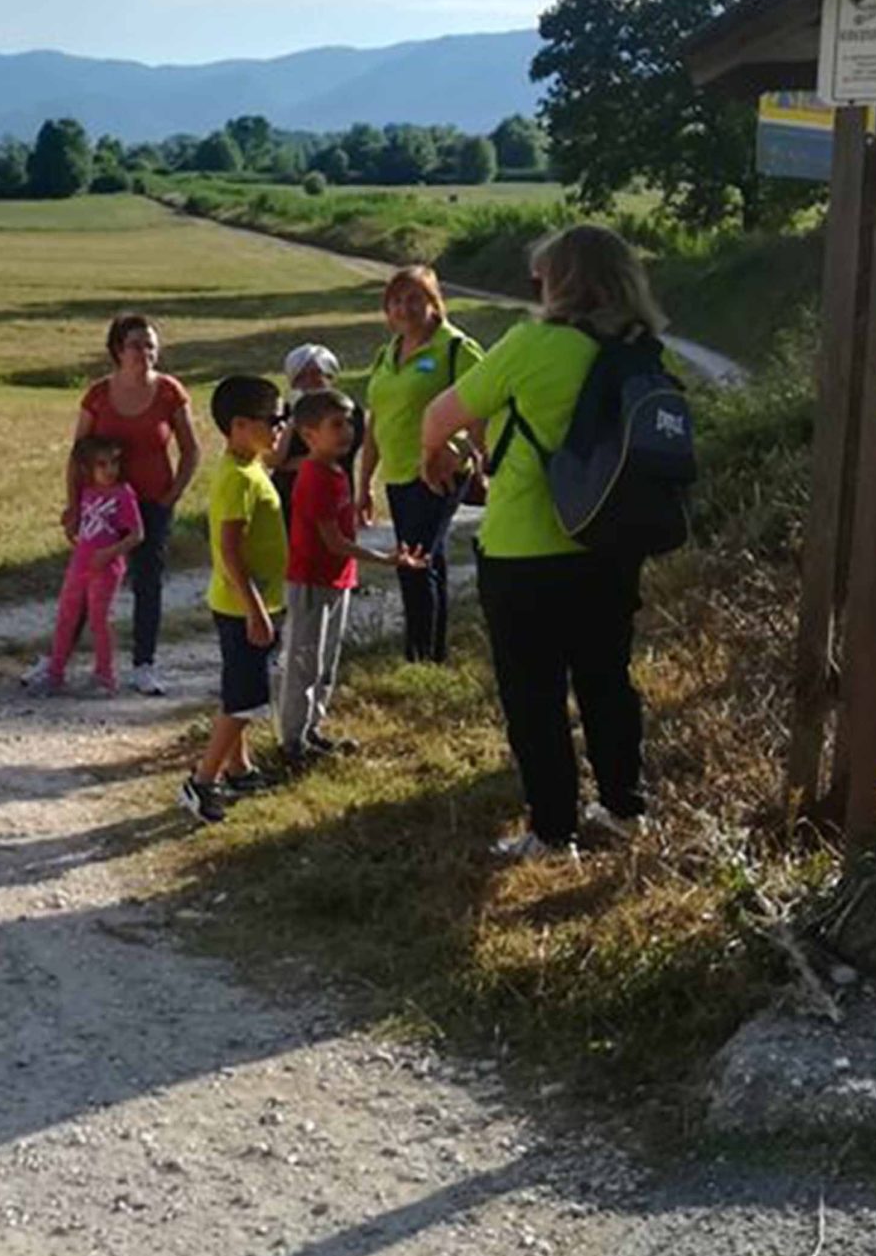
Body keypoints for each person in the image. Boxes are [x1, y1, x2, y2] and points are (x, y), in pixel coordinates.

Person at [421, 223, 664, 860]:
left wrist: (434, 453)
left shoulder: (533, 344)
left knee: (535, 696)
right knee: (608, 680)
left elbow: (439, 416)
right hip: (611, 544)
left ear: (559, 281)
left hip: (525, 549)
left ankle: (554, 832)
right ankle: (625, 808)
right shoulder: (641, 349)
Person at [278, 389, 426, 766]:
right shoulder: (313, 477)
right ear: (309, 434)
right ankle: (292, 743)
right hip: (311, 581)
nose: (347, 432)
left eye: (349, 423)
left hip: (337, 580)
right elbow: (334, 542)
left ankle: (313, 730)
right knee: (304, 663)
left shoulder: (336, 471)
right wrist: (386, 559)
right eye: (336, 425)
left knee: (326, 662)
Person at [178, 375, 289, 824]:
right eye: (273, 419)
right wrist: (255, 610)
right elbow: (229, 549)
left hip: (250, 603)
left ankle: (239, 768)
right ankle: (202, 781)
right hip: (243, 606)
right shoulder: (237, 479)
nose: (281, 427)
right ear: (240, 425)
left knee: (238, 690)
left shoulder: (251, 466)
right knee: (246, 699)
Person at [359, 266, 484, 664]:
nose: (405, 308)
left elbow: (484, 409)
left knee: (413, 564)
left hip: (437, 473)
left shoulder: (456, 348)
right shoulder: (386, 353)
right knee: (429, 562)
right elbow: (376, 421)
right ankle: (434, 656)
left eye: (414, 298)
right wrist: (364, 482)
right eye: (396, 300)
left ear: (434, 303)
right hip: (397, 473)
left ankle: (418, 658)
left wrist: (458, 451)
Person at [68, 314, 198, 695]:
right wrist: (74, 505)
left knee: (148, 581)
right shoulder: (97, 395)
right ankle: (59, 657)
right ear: (117, 350)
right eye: (136, 345)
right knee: (85, 578)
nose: (145, 352)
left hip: (152, 502)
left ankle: (144, 663)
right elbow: (78, 454)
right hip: (102, 505)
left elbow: (191, 450)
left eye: (151, 345)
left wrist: (172, 494)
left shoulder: (170, 392)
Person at [24, 436, 143, 695]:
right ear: (88, 468)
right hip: (81, 562)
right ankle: (55, 671)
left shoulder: (123, 494)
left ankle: (105, 675)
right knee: (66, 615)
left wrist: (109, 553)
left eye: (113, 463)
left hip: (106, 566)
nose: (110, 470)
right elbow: (82, 525)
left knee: (100, 620)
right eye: (102, 464)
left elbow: (136, 534)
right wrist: (71, 527)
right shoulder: (87, 492)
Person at [270, 343, 363, 529]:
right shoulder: (285, 412)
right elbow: (272, 459)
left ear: (329, 376)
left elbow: (338, 455)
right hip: (288, 496)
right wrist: (293, 420)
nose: (309, 381)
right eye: (301, 376)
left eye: (315, 374)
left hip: (329, 492)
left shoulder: (347, 411)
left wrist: (291, 463)